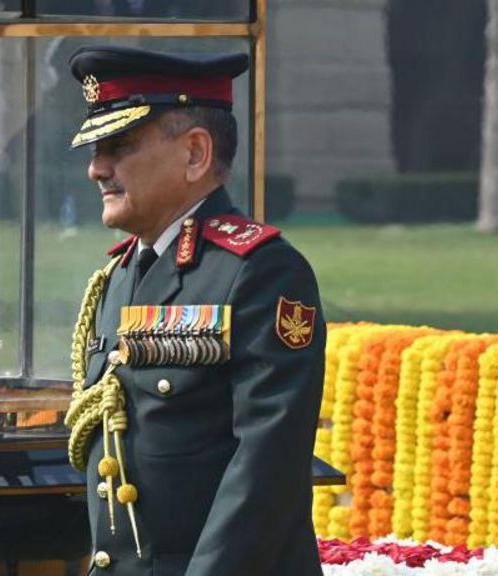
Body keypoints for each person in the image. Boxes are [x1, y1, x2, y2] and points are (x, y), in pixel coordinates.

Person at [64, 46, 326, 575]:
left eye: (119, 146)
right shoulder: (117, 276)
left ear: (195, 154)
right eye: (95, 150)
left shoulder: (260, 272)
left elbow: (266, 470)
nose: (96, 169)